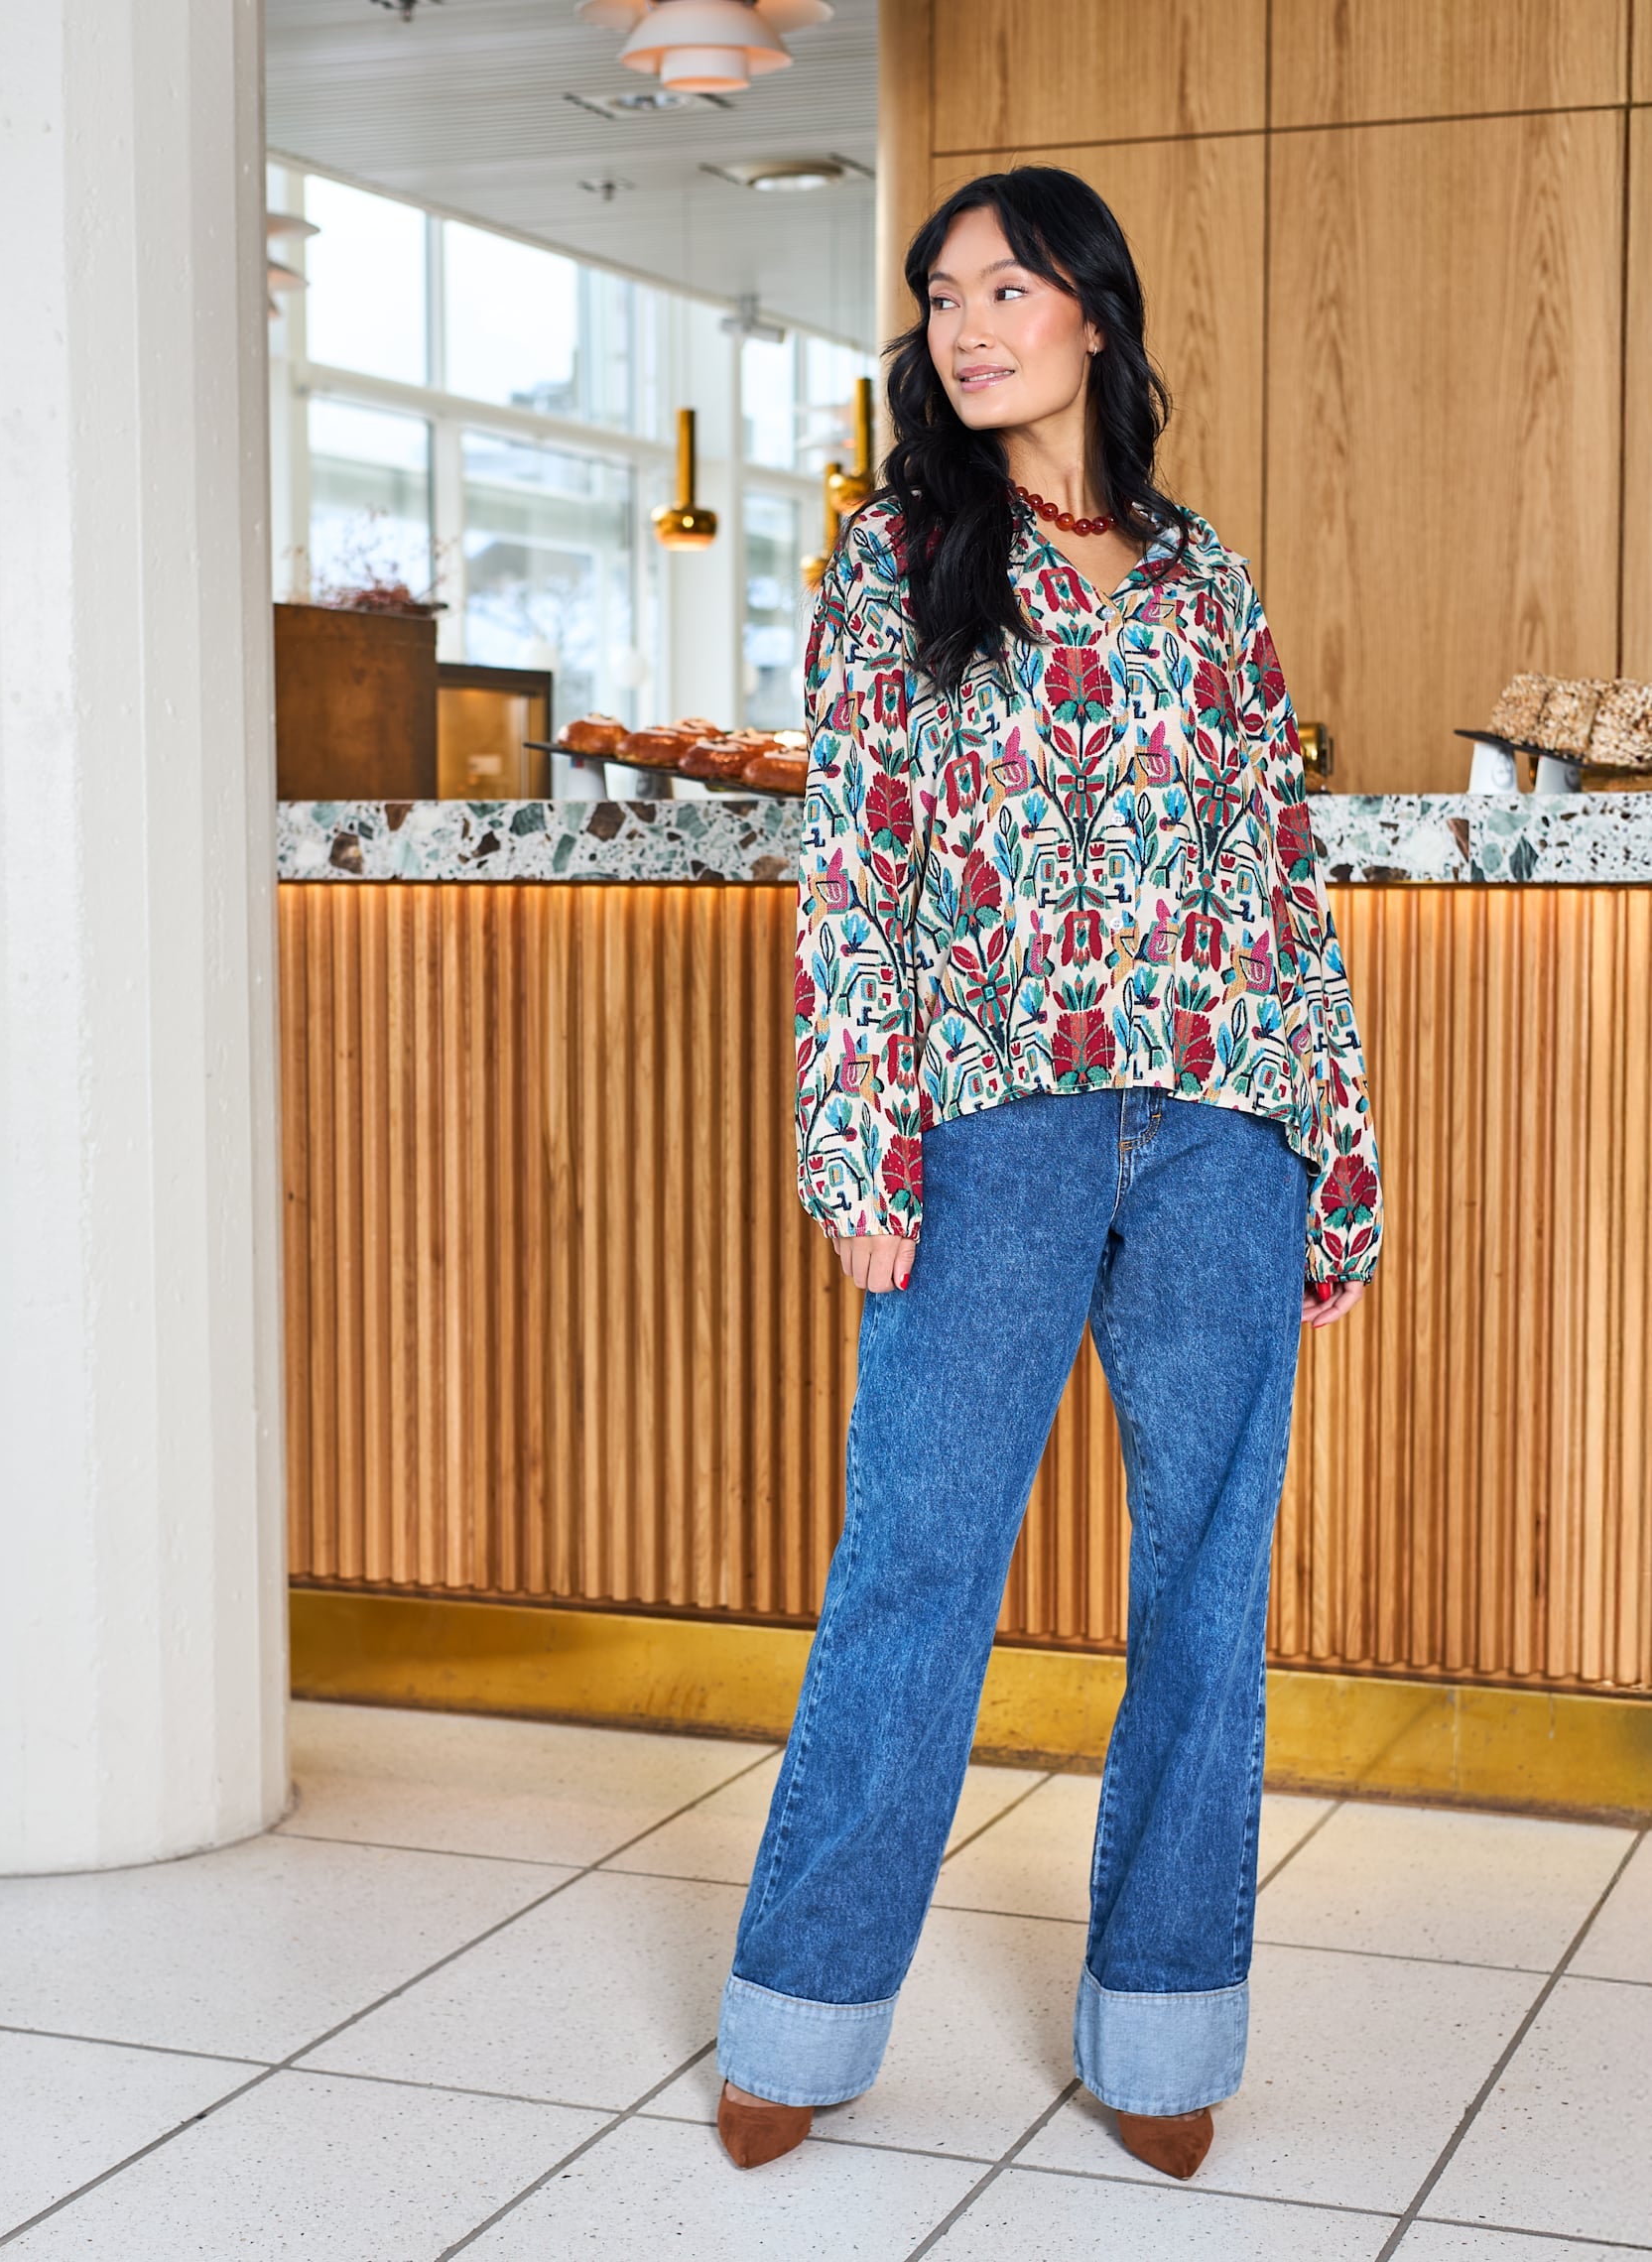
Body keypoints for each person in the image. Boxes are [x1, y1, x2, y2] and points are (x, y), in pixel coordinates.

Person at [714, 166, 1383, 2183]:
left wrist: (1331, 1153)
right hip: (990, 1126)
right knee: (913, 1571)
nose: (969, 325)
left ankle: (1166, 2032)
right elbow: (852, 871)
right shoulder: (896, 558)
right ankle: (802, 2016)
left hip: (1222, 1128)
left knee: (1206, 1585)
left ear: (1094, 310)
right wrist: (856, 1143)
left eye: (1008, 288)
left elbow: (1278, 873)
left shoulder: (1204, 574)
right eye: (942, 298)